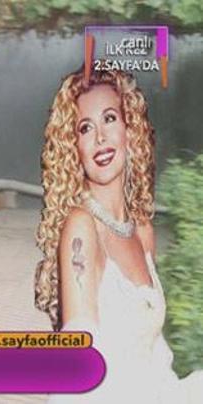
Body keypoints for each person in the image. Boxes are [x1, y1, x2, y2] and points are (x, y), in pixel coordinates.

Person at [34, 67, 203, 402]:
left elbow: (153, 350)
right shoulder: (82, 228)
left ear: (131, 129)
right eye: (85, 128)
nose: (99, 138)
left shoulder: (142, 230)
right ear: (73, 147)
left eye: (109, 119)